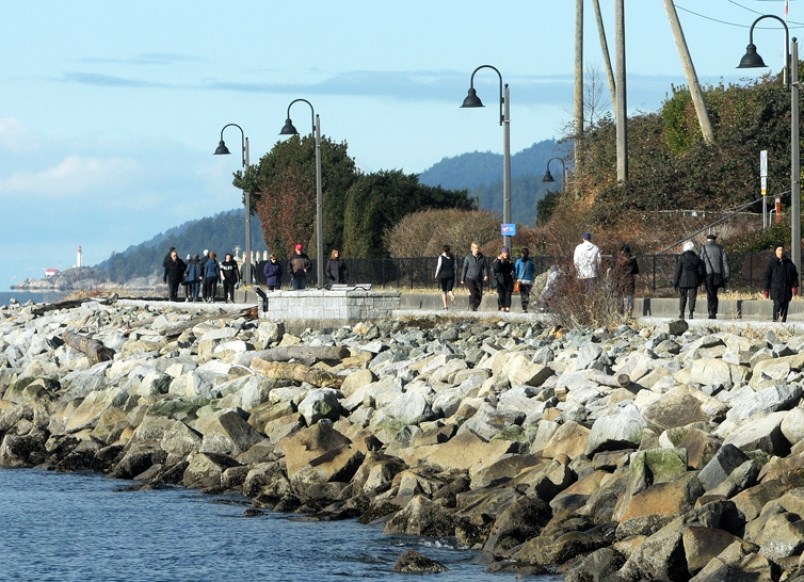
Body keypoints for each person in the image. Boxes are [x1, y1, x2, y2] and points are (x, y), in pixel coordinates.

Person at [762, 242, 800, 322]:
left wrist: (795, 286)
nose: (781, 252)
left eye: (782, 250)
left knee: (785, 308)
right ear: (775, 251)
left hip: (786, 291)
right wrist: (766, 289)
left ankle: (783, 323)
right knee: (777, 305)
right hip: (776, 290)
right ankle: (775, 323)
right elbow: (766, 277)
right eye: (779, 250)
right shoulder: (771, 263)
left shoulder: (789, 263)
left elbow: (794, 275)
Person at [699, 233, 729, 319]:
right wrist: (727, 274)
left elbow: (701, 262)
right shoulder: (720, 248)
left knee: (710, 293)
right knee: (715, 293)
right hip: (718, 274)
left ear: (707, 239)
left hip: (707, 274)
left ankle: (711, 311)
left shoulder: (703, 248)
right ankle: (714, 310)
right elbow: (725, 262)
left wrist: (700, 274)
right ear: (715, 240)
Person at [674, 241, 704, 320]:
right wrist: (699, 281)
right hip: (694, 281)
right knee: (692, 297)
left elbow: (678, 271)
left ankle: (682, 313)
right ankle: (691, 313)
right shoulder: (697, 258)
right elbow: (701, 272)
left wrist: (675, 282)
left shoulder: (681, 258)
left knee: (683, 297)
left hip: (683, 281)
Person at [460, 242, 490, 311]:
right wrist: (462, 279)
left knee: (479, 296)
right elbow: (464, 268)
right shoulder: (468, 258)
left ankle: (474, 306)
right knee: (473, 293)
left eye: (478, 248)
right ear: (472, 249)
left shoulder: (482, 258)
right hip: (469, 278)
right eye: (475, 248)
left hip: (479, 279)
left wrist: (486, 275)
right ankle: (471, 307)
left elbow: (485, 267)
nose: (477, 249)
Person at [614, 244, 640, 318]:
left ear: (621, 251)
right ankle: (629, 309)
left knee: (620, 294)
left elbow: (616, 270)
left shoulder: (619, 259)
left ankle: (620, 311)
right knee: (630, 294)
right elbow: (636, 270)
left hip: (620, 279)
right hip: (629, 278)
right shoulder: (632, 259)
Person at [492, 246, 515, 312]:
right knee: (501, 295)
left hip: (508, 281)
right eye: (504, 252)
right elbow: (496, 269)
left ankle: (507, 308)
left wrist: (513, 274)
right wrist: (499, 260)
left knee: (508, 295)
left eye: (507, 252)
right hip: (500, 281)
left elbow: (513, 270)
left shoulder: (510, 261)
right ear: (501, 253)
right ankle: (501, 307)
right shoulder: (497, 261)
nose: (506, 254)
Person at [434, 245, 457, 309]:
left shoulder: (441, 257)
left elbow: (439, 266)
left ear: (444, 250)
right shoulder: (452, 257)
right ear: (449, 250)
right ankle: (452, 296)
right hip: (451, 275)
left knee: (444, 291)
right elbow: (455, 267)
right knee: (449, 290)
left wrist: (436, 275)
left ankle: (445, 306)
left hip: (443, 275)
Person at [514, 247, 535, 313]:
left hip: (521, 280)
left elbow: (516, 270)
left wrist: (517, 277)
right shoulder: (531, 262)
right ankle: (525, 307)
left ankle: (524, 307)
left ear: (521, 254)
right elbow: (533, 271)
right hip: (529, 281)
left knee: (523, 294)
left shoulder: (518, 261)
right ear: (528, 254)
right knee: (527, 294)